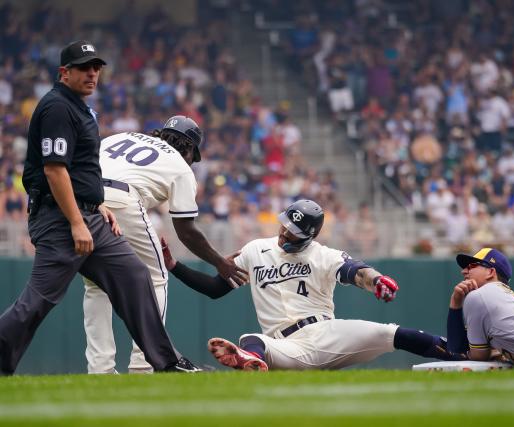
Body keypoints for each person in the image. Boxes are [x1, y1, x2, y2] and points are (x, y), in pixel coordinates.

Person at [0, 40, 197, 375]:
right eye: (83, 67)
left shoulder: (79, 108)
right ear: (65, 72)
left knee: (135, 276)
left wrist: (97, 202)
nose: (92, 73)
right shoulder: (57, 107)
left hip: (89, 213)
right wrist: (77, 220)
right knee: (39, 300)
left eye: (96, 67)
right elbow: (55, 169)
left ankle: (165, 363)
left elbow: (81, 170)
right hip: (60, 218)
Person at [162, 199, 465, 371]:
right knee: (252, 339)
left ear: (309, 235)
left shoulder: (322, 254)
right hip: (285, 346)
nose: (284, 233)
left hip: (327, 333)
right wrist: (174, 266)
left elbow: (355, 271)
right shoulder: (256, 249)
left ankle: (460, 356)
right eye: (284, 225)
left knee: (390, 333)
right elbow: (215, 289)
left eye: (293, 231)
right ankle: (250, 361)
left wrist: (376, 281)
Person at [83, 115, 249, 374]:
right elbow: (186, 232)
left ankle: (99, 369)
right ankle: (143, 363)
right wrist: (220, 262)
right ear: (190, 148)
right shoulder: (179, 166)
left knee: (96, 285)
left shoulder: (119, 137)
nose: (192, 162)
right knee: (154, 278)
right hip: (123, 200)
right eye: (193, 155)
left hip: (86, 200)